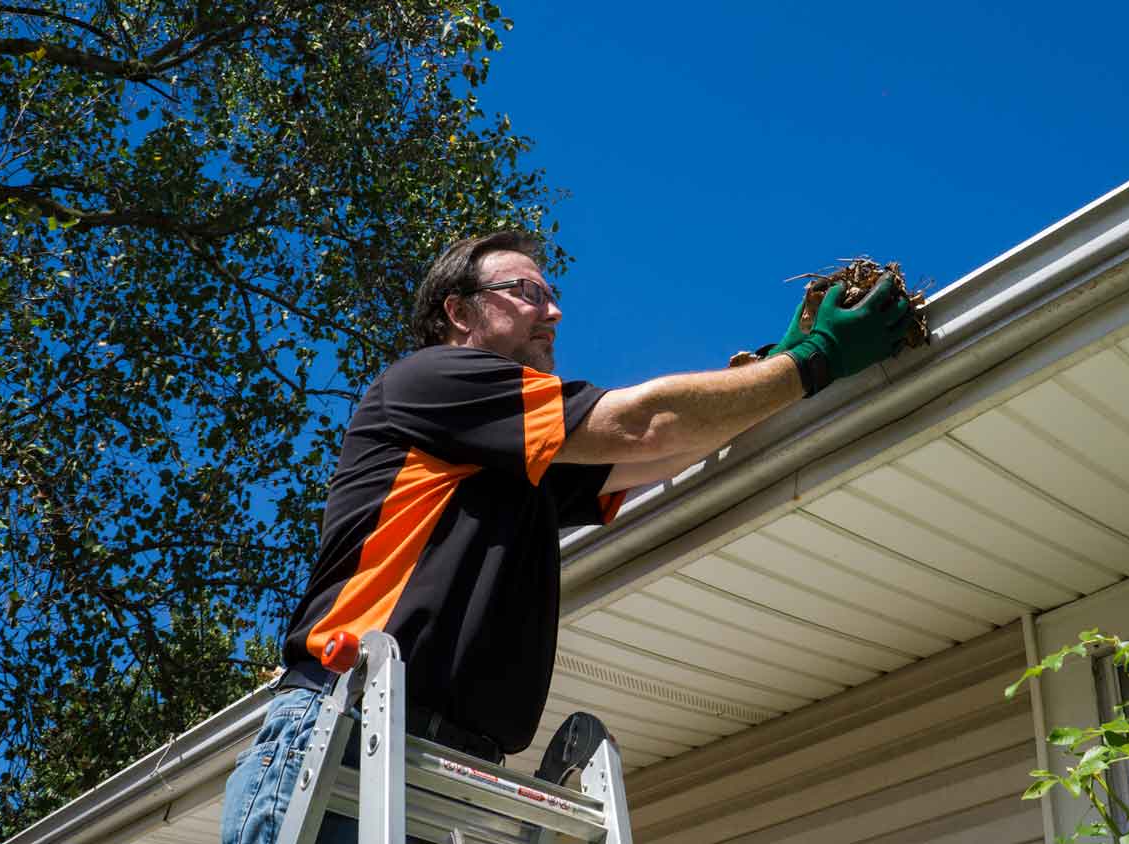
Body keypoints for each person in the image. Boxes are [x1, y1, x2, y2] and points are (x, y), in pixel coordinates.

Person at [220, 230, 911, 844]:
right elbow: (646, 425)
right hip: (340, 736)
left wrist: (778, 367)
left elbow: (658, 458)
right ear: (459, 313)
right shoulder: (433, 381)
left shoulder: (512, 460)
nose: (552, 312)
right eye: (525, 292)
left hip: (435, 771)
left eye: (552, 295)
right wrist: (814, 361)